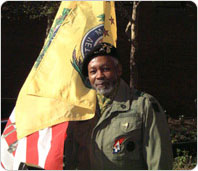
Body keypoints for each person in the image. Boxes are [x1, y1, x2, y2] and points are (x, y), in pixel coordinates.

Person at [63, 42, 173, 170]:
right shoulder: (80, 110)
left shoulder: (144, 105)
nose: (99, 76)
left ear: (118, 70)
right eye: (93, 71)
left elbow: (159, 162)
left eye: (105, 69)